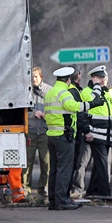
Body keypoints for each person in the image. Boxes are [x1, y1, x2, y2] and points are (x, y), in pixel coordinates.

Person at [45, 67, 103, 210]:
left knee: (54, 170)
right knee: (64, 169)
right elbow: (73, 106)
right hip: (63, 136)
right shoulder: (64, 93)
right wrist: (91, 104)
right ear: (68, 80)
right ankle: (61, 200)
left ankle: (53, 200)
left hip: (52, 135)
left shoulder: (51, 92)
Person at [81, 65, 112, 197]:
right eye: (98, 77)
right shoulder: (86, 92)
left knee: (98, 164)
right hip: (94, 132)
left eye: (103, 77)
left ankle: (92, 191)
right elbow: (92, 102)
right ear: (92, 78)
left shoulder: (106, 93)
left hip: (106, 133)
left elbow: (110, 113)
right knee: (102, 163)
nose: (102, 80)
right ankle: (105, 192)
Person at [23, 66, 51, 197]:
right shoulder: (26, 91)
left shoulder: (49, 91)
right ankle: (25, 188)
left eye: (36, 77)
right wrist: (34, 113)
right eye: (32, 77)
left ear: (41, 77)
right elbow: (21, 111)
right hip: (31, 132)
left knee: (46, 162)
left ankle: (43, 188)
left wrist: (47, 115)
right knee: (27, 162)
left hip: (45, 132)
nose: (34, 79)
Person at [68, 64, 93, 199]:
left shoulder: (67, 90)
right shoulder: (74, 91)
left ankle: (64, 194)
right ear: (78, 75)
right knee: (75, 164)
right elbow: (80, 113)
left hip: (66, 132)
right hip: (74, 133)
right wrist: (87, 130)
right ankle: (70, 193)